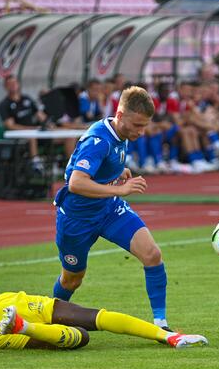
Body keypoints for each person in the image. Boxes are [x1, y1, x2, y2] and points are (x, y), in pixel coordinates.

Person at [0, 197, 208, 350]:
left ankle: (25, 328)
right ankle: (167, 336)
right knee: (91, 320)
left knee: (79, 338)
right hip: (5, 306)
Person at [52, 86, 174, 330]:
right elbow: (76, 183)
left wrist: (118, 173)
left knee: (152, 255)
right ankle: (47, 316)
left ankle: (161, 324)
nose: (141, 132)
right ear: (120, 115)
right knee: (72, 279)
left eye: (144, 125)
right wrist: (120, 189)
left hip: (108, 210)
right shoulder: (98, 140)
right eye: (137, 125)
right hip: (77, 219)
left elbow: (102, 168)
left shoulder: (120, 134)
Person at [0, 75, 47, 160]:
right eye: (10, 84)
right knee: (32, 138)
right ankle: (36, 164)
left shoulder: (27, 99)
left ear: (18, 84)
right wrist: (30, 129)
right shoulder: (4, 104)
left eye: (14, 83)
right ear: (5, 87)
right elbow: (10, 126)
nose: (13, 85)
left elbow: (40, 115)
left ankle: (70, 166)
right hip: (18, 136)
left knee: (68, 137)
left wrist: (48, 122)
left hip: (35, 131)